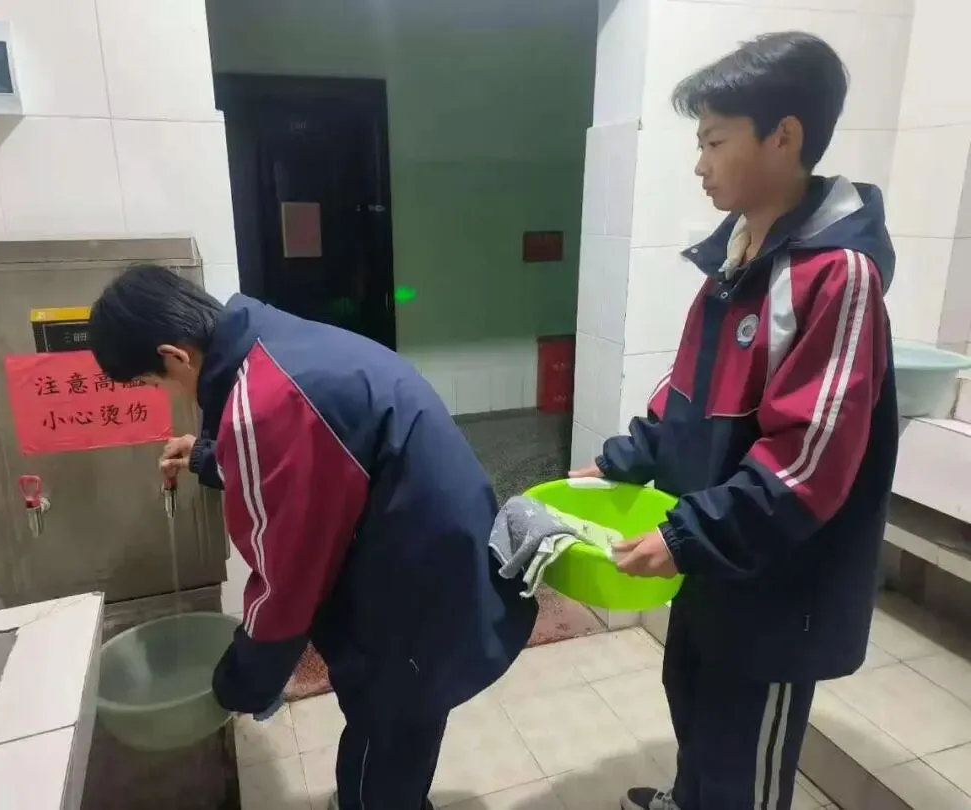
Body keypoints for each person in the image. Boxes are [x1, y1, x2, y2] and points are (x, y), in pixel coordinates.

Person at [570, 32, 897, 810]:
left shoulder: (836, 274)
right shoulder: (736, 259)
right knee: (693, 700)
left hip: (775, 581)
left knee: (744, 757)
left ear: (784, 136)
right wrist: (622, 461)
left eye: (715, 142)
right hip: (717, 560)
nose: (700, 164)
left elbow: (808, 460)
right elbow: (684, 395)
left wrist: (690, 534)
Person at [88, 266, 538, 810]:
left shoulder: (266, 401)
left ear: (175, 356)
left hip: (413, 595)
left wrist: (242, 680)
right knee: (404, 731)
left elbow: (285, 581)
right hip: (437, 554)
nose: (166, 394)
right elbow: (320, 461)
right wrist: (214, 456)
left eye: (153, 383)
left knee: (385, 737)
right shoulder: (277, 341)